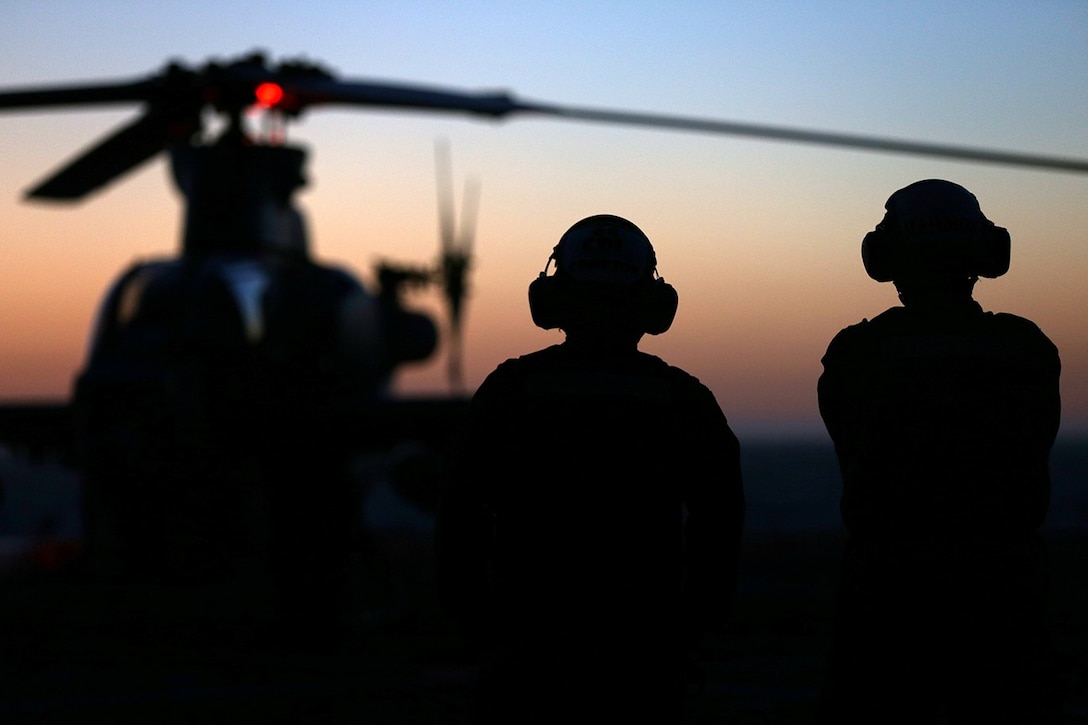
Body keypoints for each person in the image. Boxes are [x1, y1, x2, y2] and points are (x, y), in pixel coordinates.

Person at [436, 214, 745, 723]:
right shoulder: (684, 399)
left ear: (553, 297)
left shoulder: (510, 389)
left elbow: (459, 513)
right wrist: (690, 629)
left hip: (526, 644)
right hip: (645, 647)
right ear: (652, 303)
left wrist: (478, 625)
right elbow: (719, 522)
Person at [817, 180, 1062, 723]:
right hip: (1006, 595)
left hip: (887, 597)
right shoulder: (1027, 349)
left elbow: (849, 443)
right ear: (985, 251)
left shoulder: (857, 353)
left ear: (886, 257)